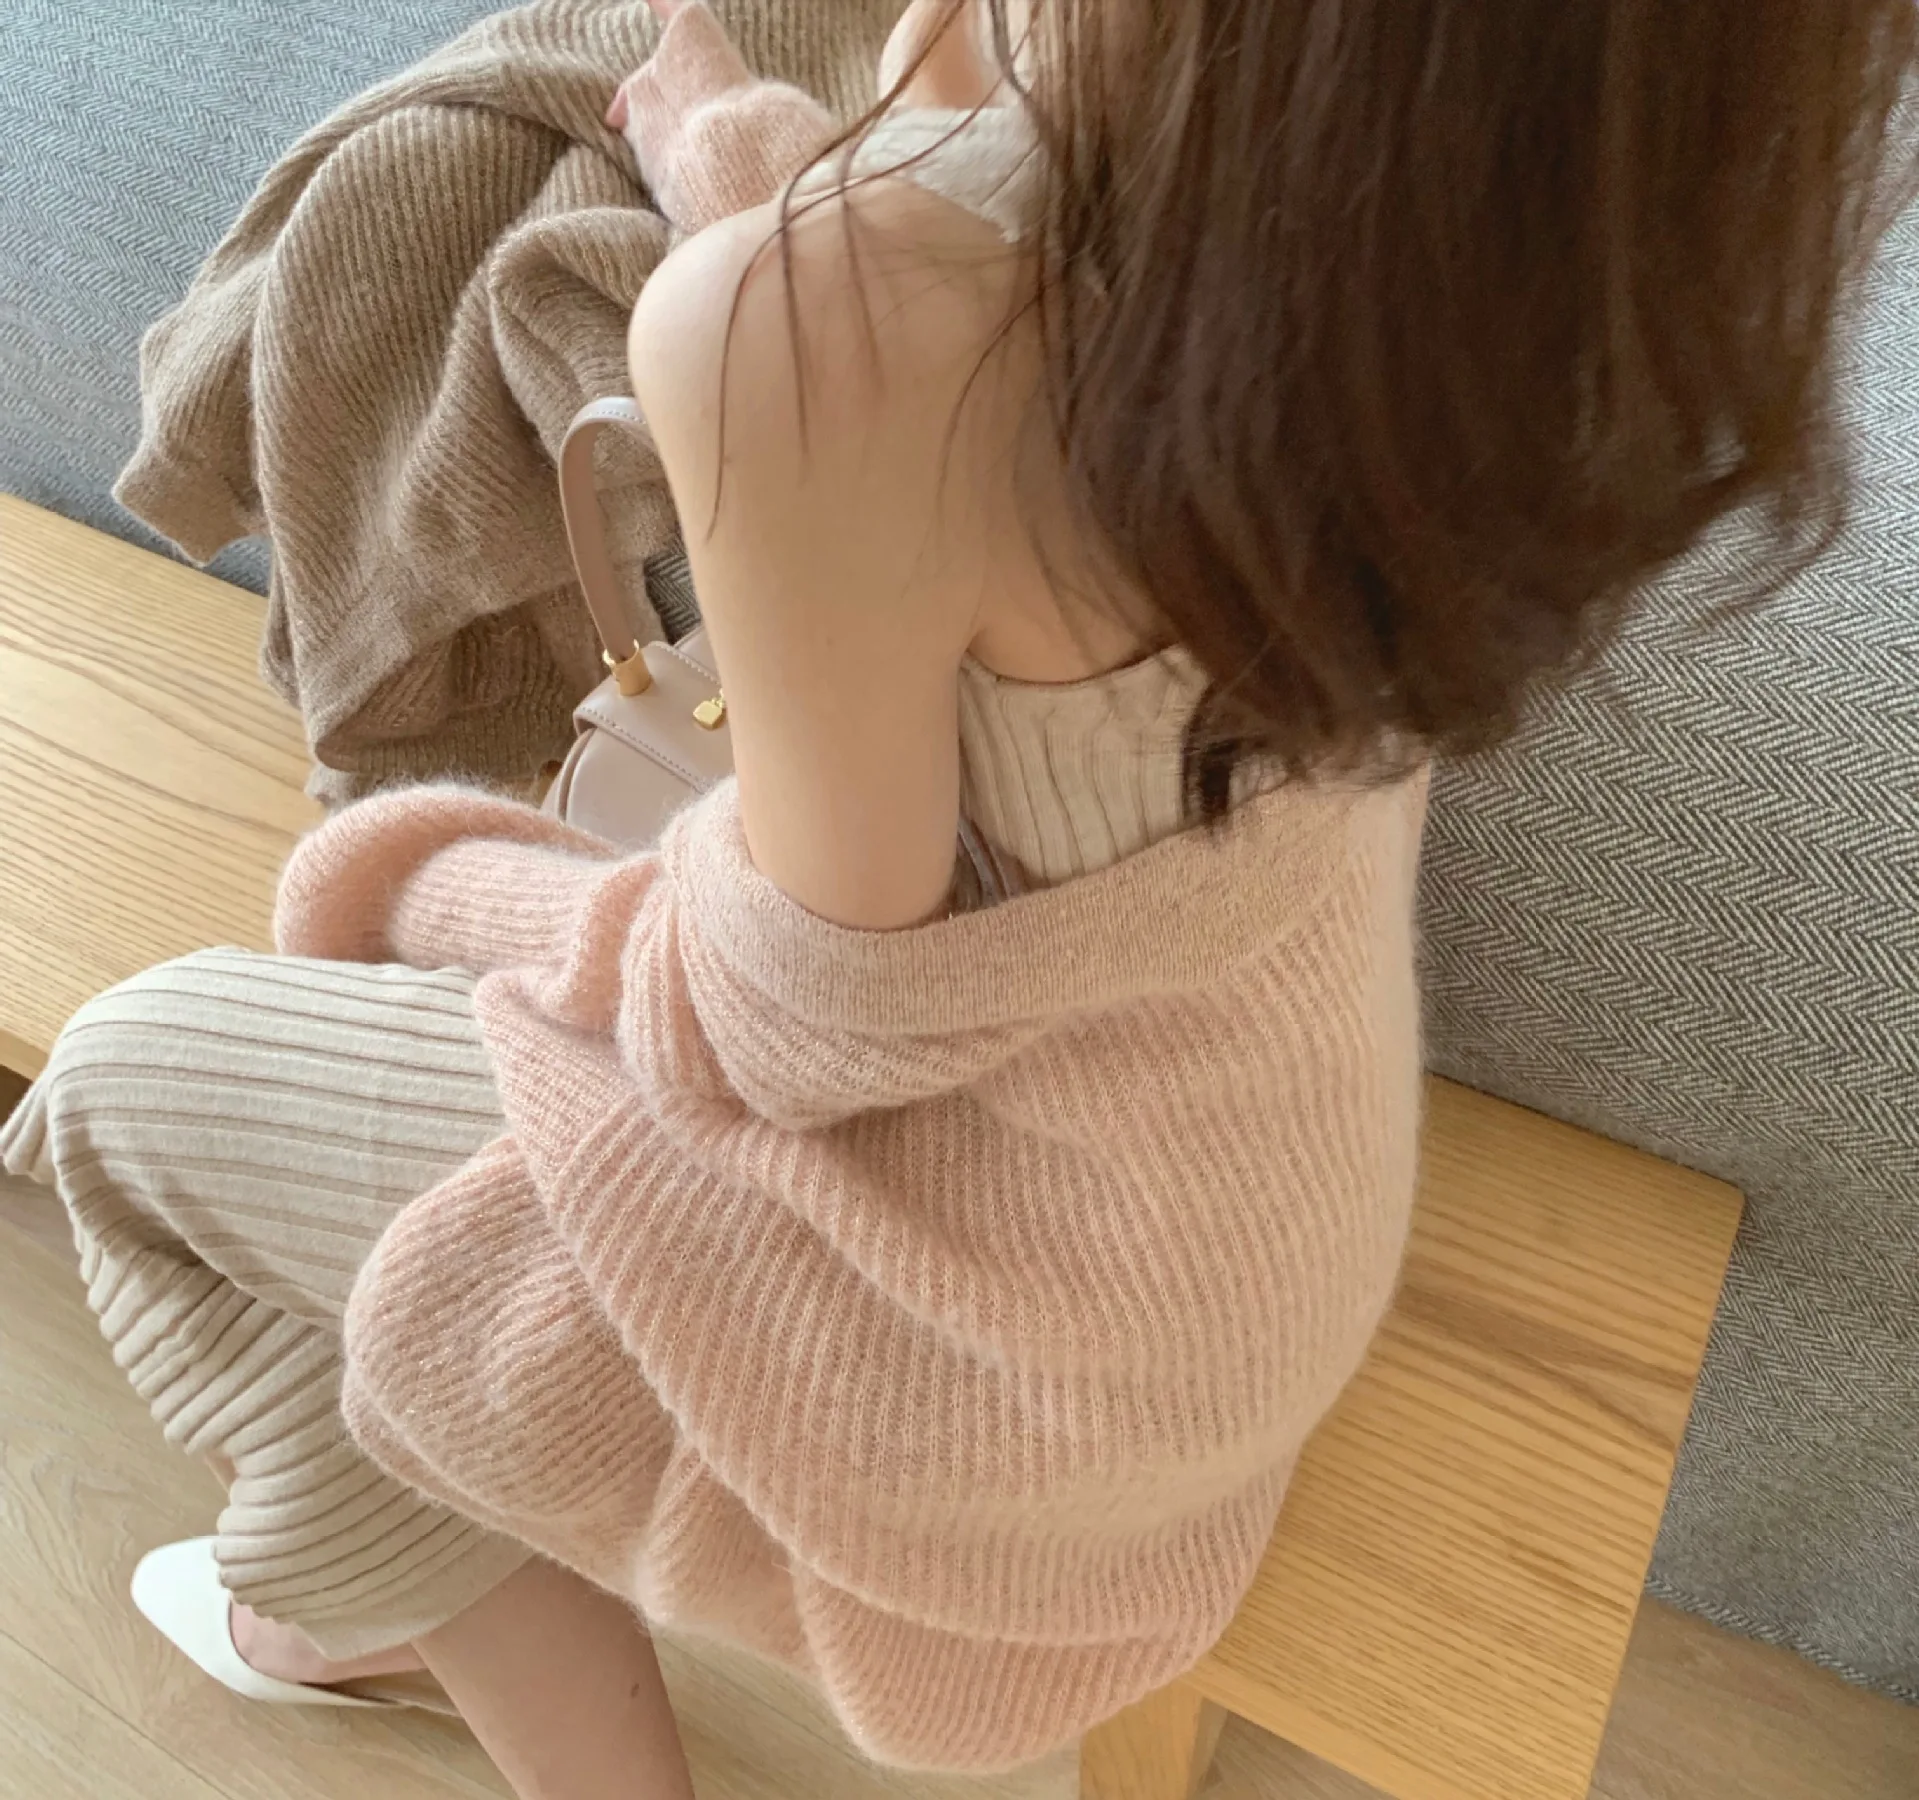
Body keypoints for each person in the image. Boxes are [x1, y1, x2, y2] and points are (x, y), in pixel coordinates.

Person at [5, 2, 1911, 1795]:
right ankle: (383, 1572)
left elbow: (798, 1017)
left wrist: (439, 888)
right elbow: (995, 406)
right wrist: (767, 207)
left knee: (122, 1094)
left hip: (1017, 1355)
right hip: (1265, 1223)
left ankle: (405, 1636)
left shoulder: (846, 318)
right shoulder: (1498, 245)